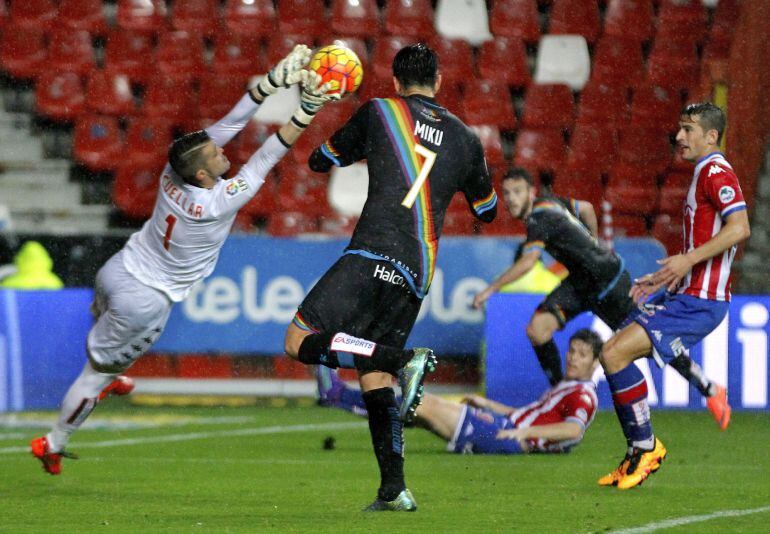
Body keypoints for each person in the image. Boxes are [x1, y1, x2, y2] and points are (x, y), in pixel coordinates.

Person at [30, 45, 340, 475]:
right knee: (93, 376)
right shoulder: (215, 202)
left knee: (106, 338)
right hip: (147, 299)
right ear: (202, 174)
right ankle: (53, 442)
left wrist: (270, 83)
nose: (221, 152)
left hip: (118, 268)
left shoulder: (170, 171)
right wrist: (305, 112)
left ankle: (112, 367)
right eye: (214, 156)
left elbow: (227, 126)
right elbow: (266, 157)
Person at [283, 43, 497, 511]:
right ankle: (393, 488)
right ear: (438, 82)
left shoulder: (380, 111)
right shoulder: (466, 137)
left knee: (299, 340)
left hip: (373, 249)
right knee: (373, 375)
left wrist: (343, 137)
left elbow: (321, 160)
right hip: (418, 269)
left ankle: (404, 360)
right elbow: (488, 211)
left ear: (396, 82)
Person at [472, 168, 730, 429]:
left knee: (649, 340)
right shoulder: (552, 203)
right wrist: (593, 240)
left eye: (517, 192)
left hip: (608, 282)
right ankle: (564, 396)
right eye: (507, 193)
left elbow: (528, 261)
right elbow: (586, 209)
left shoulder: (539, 219)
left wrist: (490, 289)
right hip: (582, 281)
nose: (512, 199)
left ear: (531, 192)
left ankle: (709, 387)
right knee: (538, 330)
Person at [597, 102, 750, 490]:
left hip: (703, 300)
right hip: (686, 294)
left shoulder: (716, 171)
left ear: (711, 136)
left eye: (689, 129)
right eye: (680, 129)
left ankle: (645, 447)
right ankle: (644, 445)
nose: (680, 137)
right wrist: (665, 279)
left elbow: (740, 228)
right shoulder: (703, 173)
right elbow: (697, 247)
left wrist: (687, 262)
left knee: (615, 353)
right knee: (615, 349)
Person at [317, 329, 602, 455]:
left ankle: (339, 395)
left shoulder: (584, 395)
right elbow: (531, 418)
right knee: (414, 409)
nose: (573, 358)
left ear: (595, 361)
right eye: (572, 351)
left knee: (419, 405)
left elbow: (573, 431)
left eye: (582, 355)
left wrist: (522, 434)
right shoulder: (569, 385)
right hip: (506, 427)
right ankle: (342, 396)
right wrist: (487, 403)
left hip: (508, 438)